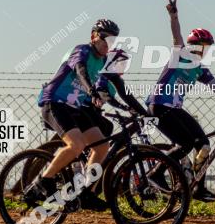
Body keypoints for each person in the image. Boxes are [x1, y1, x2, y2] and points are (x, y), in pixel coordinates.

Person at [22, 18, 148, 207]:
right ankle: (43, 181)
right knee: (76, 145)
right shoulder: (82, 50)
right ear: (93, 37)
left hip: (75, 109)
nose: (108, 44)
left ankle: (85, 191)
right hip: (54, 103)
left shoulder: (106, 62)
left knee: (102, 146)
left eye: (113, 41)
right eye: (105, 39)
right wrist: (91, 89)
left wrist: (145, 113)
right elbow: (81, 71)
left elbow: (122, 91)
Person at [146, 0, 215, 202]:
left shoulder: (199, 69)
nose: (205, 51)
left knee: (203, 144)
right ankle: (156, 173)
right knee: (186, 143)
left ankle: (198, 188)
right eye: (203, 46)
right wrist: (174, 15)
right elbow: (176, 36)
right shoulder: (180, 54)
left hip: (174, 109)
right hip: (158, 106)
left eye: (207, 48)